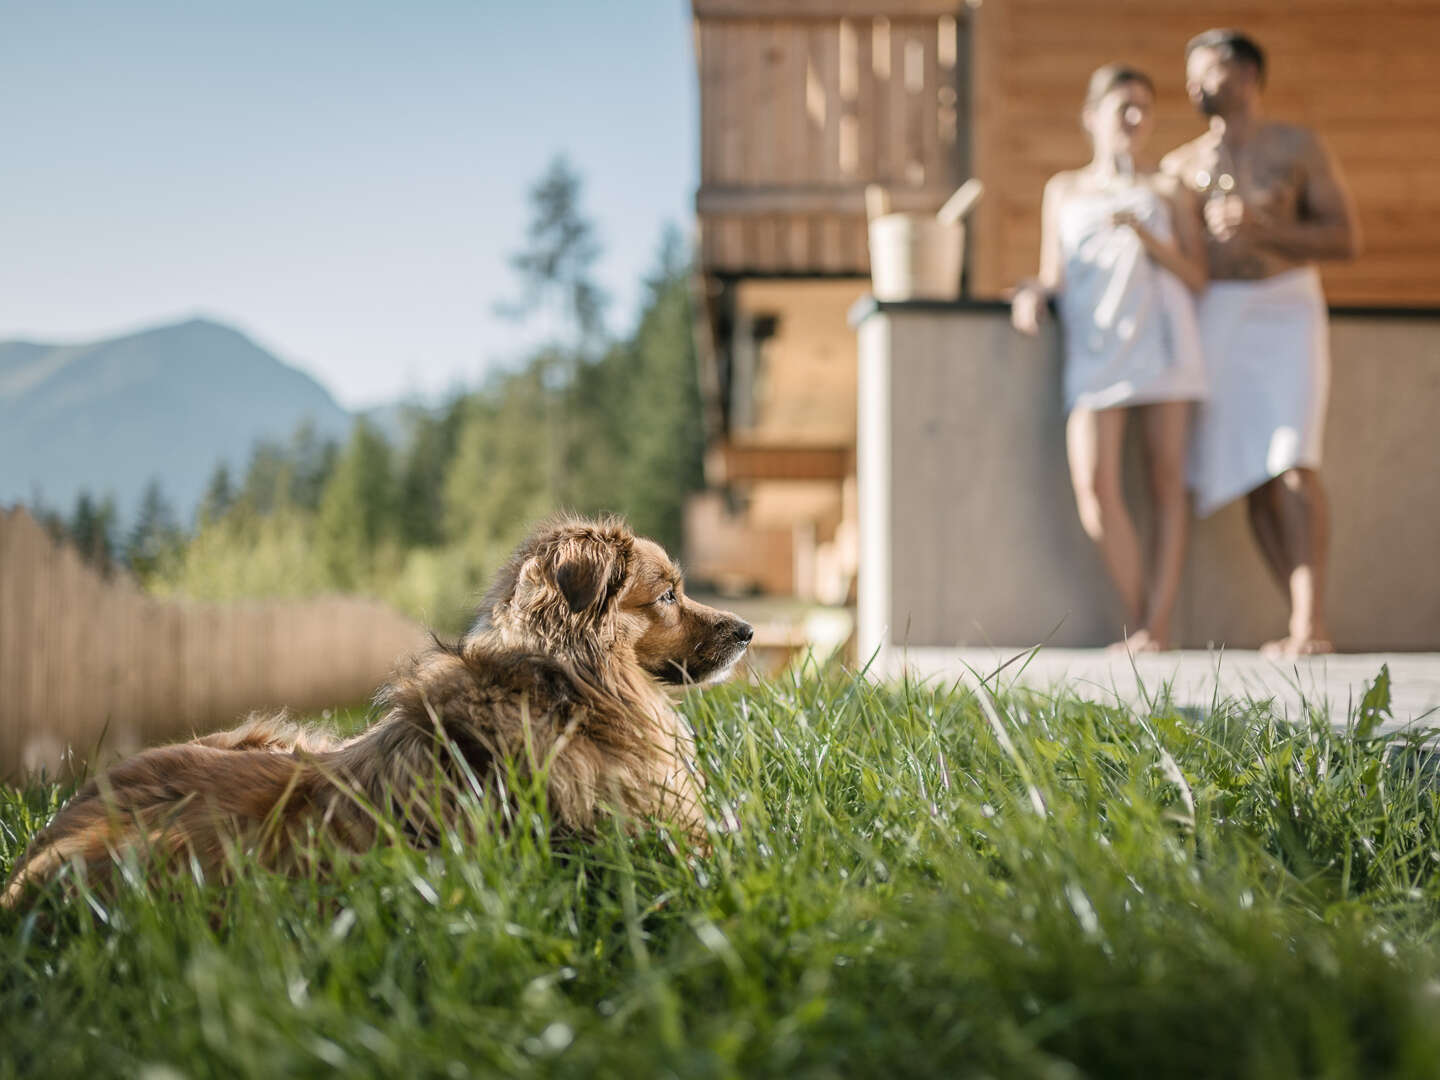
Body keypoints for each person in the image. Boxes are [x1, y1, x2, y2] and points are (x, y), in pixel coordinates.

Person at [1162, 29, 1361, 658]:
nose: (1197, 83)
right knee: (1251, 472)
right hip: (1217, 314)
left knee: (1293, 458)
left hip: (1286, 308)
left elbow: (1346, 241)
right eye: (1190, 73)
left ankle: (1312, 624)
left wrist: (1263, 226)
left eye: (1211, 69)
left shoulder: (1298, 146)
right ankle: (1300, 619)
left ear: (1248, 74)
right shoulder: (1179, 165)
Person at [1012, 64, 1208, 652]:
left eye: (1144, 108)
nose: (1134, 118)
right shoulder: (1063, 188)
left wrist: (1144, 234)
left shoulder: (1167, 188)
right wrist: (1031, 294)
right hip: (1096, 346)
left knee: (1165, 481)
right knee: (1094, 486)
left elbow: (1198, 277)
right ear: (1091, 116)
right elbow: (1055, 274)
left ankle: (1159, 628)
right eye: (1122, 106)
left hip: (1163, 341)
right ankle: (1137, 618)